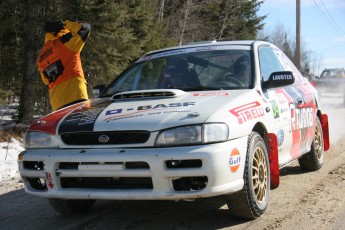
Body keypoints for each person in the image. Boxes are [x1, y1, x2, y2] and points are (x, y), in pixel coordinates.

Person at [37, 20, 91, 111]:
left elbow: (47, 82)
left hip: (57, 104)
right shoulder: (64, 44)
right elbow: (85, 28)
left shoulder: (40, 58)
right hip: (76, 96)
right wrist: (65, 24)